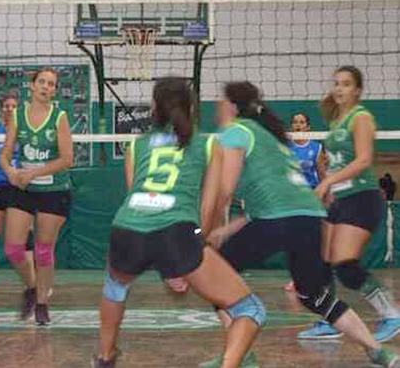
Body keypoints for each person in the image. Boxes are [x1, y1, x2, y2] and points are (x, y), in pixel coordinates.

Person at [201, 81, 398, 368]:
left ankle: (240, 354)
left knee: (216, 277)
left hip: (278, 219)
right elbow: (272, 200)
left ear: (231, 105)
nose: (218, 106)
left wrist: (203, 232)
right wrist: (227, 230)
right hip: (307, 216)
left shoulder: (235, 132)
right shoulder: (271, 136)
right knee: (312, 294)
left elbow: (224, 192)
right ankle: (377, 350)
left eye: (221, 100)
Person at [92, 77, 265, 368]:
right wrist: (189, 255)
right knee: (251, 309)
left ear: (153, 108)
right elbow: (210, 205)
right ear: (192, 107)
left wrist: (171, 264)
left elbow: (135, 196)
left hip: (126, 228)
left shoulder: (138, 145)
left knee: (114, 287)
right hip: (177, 232)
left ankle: (105, 357)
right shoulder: (209, 143)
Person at [298, 65, 400, 342]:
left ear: (357, 90)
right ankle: (331, 320)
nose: (339, 88)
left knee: (345, 266)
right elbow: (338, 161)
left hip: (363, 198)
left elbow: (364, 160)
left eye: (345, 84)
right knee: (322, 263)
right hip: (340, 199)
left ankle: (392, 313)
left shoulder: (361, 117)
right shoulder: (336, 120)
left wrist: (326, 182)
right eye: (336, 83)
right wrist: (329, 182)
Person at [0, 67, 73, 326]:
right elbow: (5, 152)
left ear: (54, 90)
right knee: (12, 248)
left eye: (51, 84)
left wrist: (34, 173)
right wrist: (9, 171)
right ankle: (32, 287)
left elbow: (67, 159)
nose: (45, 86)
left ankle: (42, 303)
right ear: (31, 86)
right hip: (25, 188)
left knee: (43, 249)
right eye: (41, 82)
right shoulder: (18, 115)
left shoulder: (59, 116)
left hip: (54, 190)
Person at [0, 93, 36, 317]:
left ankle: (33, 287)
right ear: (1, 109)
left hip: (19, 188)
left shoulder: (25, 133)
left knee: (22, 243)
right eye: (6, 106)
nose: (9, 109)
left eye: (13, 106)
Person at [285, 112, 326, 292]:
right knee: (294, 241)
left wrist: (326, 198)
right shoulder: (286, 146)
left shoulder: (316, 147)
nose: (298, 125)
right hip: (292, 198)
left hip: (312, 198)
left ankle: (315, 278)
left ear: (308, 127)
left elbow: (323, 176)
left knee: (312, 241)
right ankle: (296, 279)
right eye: (295, 122)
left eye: (302, 122)